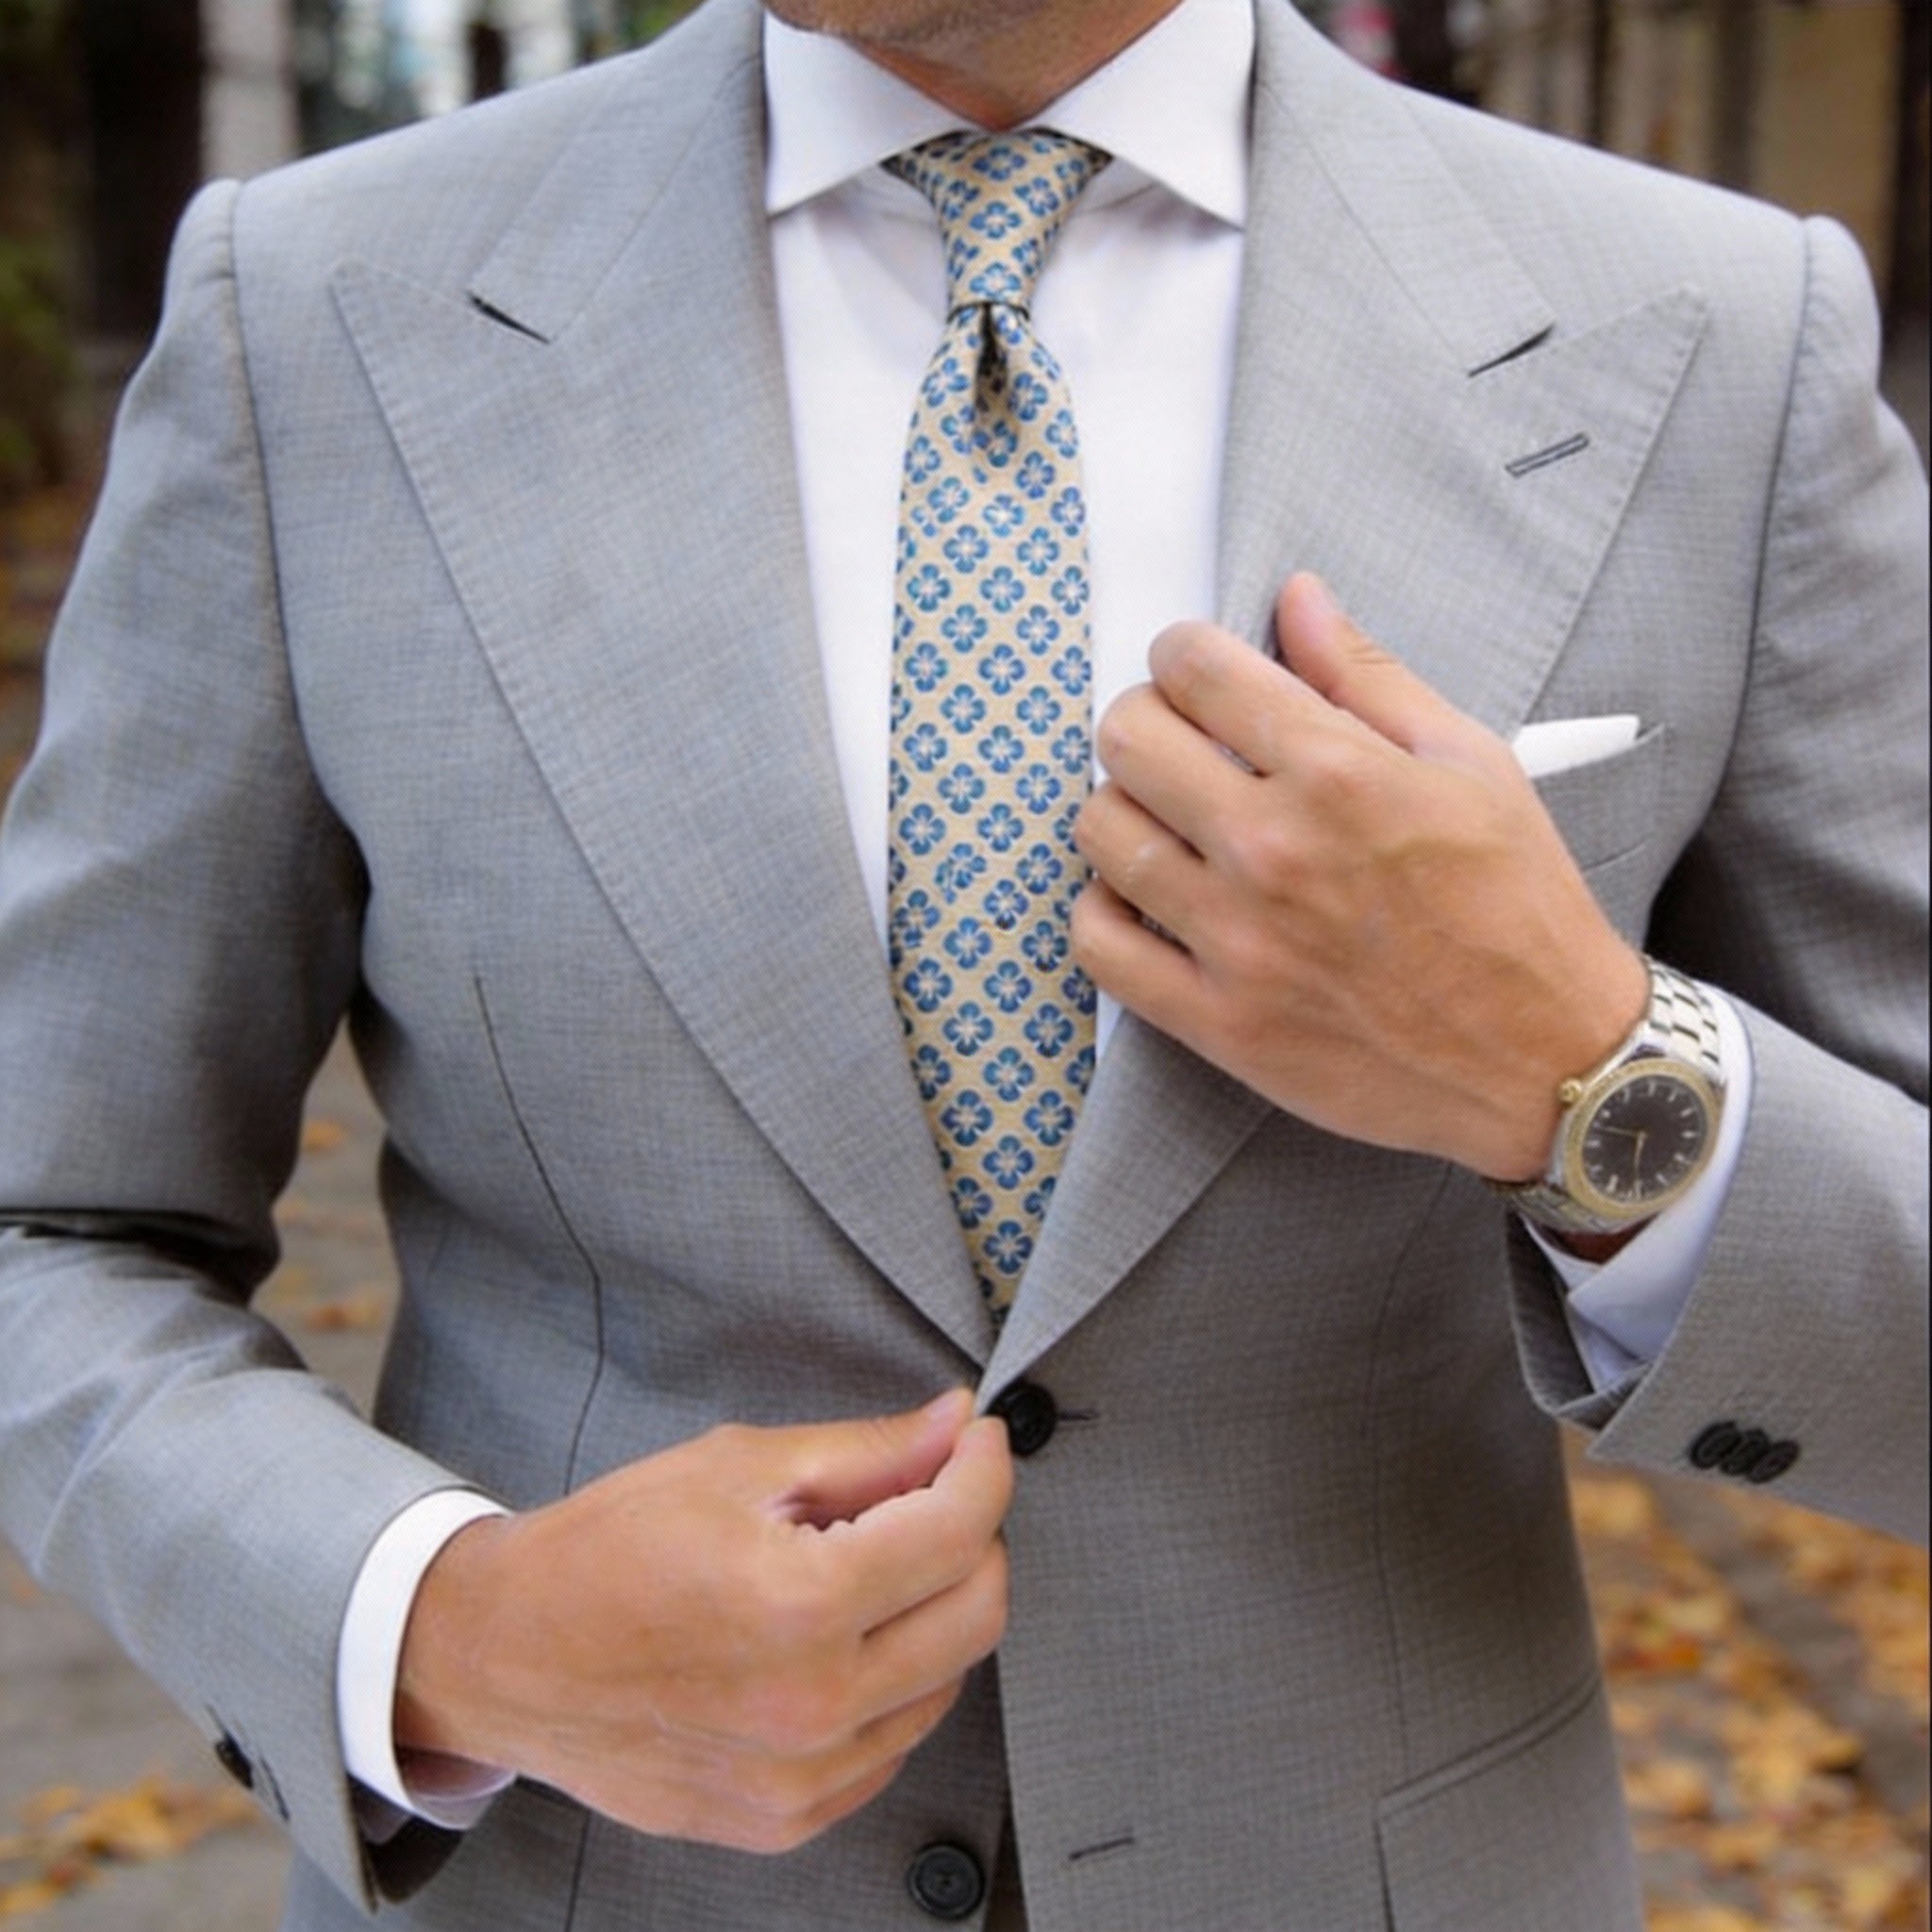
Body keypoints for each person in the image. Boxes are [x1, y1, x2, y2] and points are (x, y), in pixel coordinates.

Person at [0, 0, 1924, 1925]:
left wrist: (1585, 1077)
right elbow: (54, 1228)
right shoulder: (313, 311)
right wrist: (444, 1623)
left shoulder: (1721, 339)